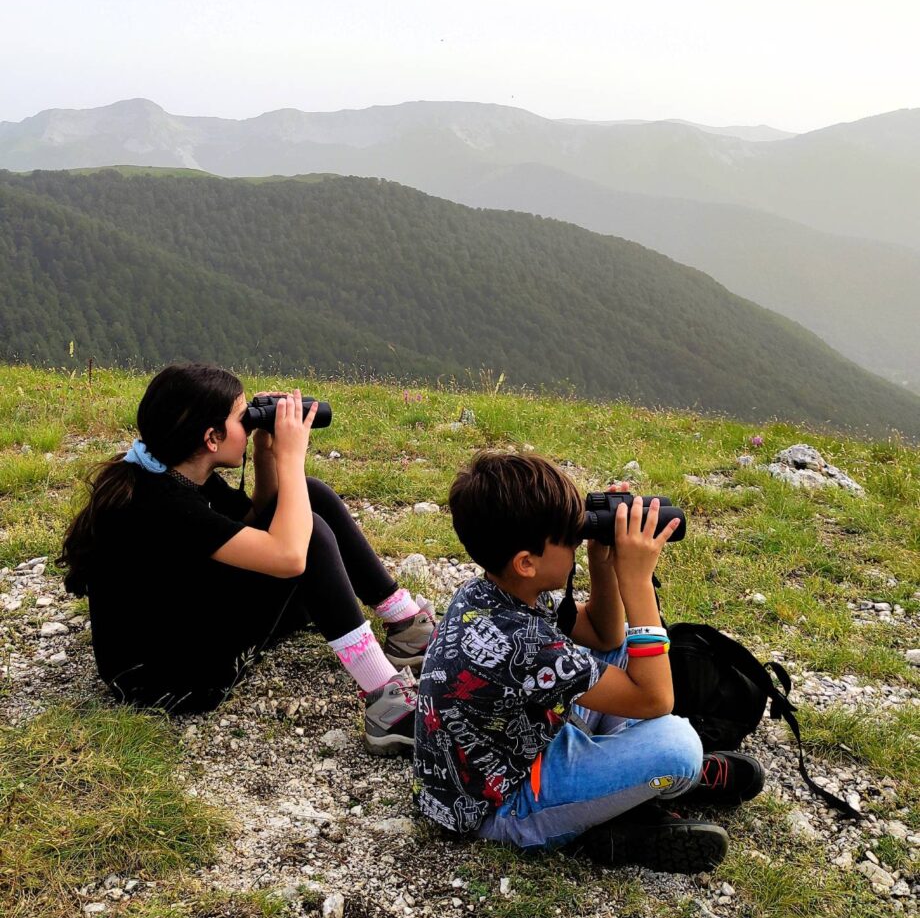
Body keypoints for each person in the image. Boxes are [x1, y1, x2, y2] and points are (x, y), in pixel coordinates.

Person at [58, 362, 434, 755]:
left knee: (308, 494)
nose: (251, 423)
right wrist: (293, 457)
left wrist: (266, 452)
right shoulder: (164, 506)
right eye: (243, 418)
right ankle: (385, 701)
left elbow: (254, 518)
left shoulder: (173, 469)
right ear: (212, 438)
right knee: (311, 538)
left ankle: (404, 623)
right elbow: (289, 555)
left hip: (180, 622)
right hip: (167, 679)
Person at [413, 452, 764, 872]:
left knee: (622, 653)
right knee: (678, 746)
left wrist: (603, 562)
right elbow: (657, 700)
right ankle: (620, 812)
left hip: (527, 741)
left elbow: (604, 636)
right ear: (526, 563)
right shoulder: (520, 643)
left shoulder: (494, 591)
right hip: (503, 807)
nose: (579, 541)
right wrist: (635, 580)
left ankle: (623, 788)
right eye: (570, 538)